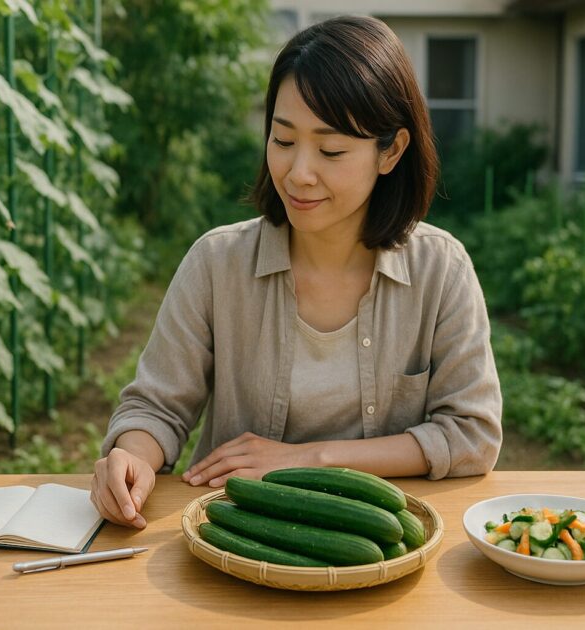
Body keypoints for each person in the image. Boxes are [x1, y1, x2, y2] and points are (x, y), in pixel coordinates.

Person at [90, 15, 502, 529]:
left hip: (381, 538)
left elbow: (471, 434)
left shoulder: (441, 270)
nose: (298, 173)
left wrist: (309, 459)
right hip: (234, 532)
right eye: (283, 141)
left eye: (331, 150)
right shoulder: (217, 263)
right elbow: (156, 409)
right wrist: (131, 455)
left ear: (391, 151)